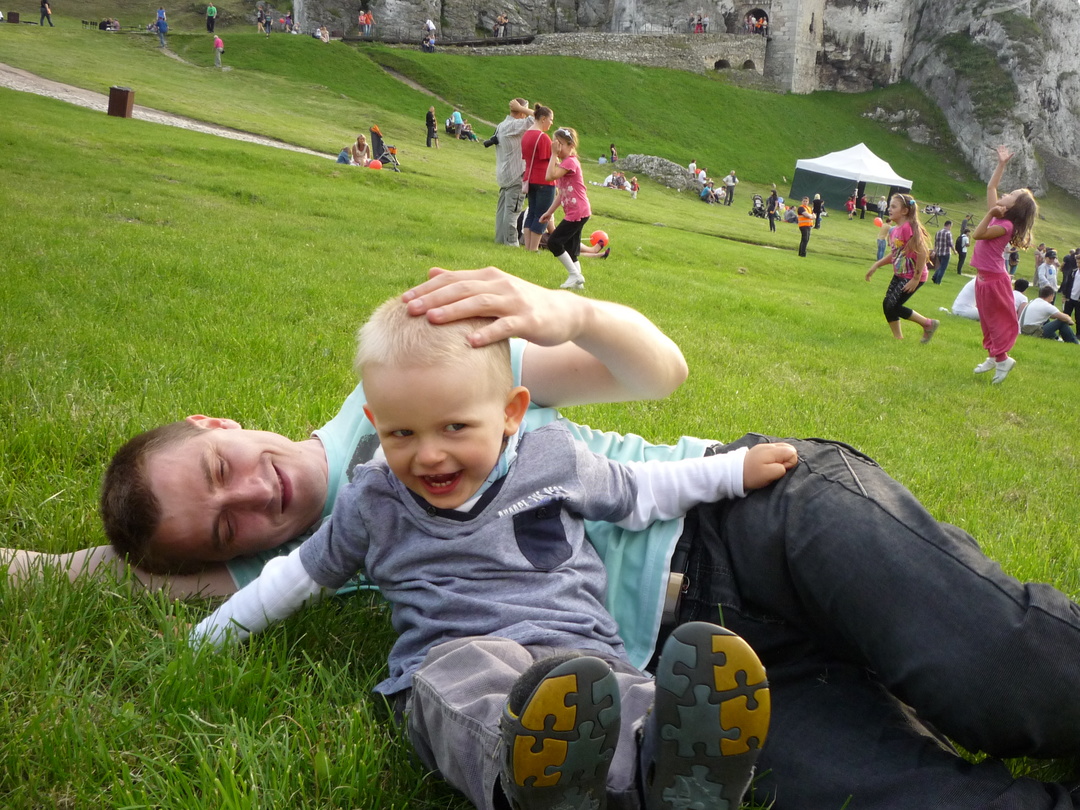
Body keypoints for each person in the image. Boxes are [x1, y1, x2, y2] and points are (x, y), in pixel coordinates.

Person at [83, 266, 1080, 809]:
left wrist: (567, 311)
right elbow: (138, 576)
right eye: (225, 528)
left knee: (1009, 670)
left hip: (744, 516)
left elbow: (659, 374)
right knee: (896, 798)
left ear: (216, 423)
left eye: (218, 468)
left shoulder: (419, 368)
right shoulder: (331, 544)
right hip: (676, 684)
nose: (251, 495)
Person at [189, 296, 794, 810]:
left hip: (579, 653)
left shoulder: (552, 459)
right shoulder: (372, 499)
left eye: (454, 427)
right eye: (402, 433)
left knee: (626, 696)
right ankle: (528, 781)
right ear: (375, 422)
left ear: (511, 414)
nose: (429, 454)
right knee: (469, 697)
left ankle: (677, 767)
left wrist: (732, 471)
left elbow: (640, 491)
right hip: (455, 650)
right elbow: (298, 575)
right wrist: (206, 638)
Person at [970, 146, 1038, 384]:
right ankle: (994, 356)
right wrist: (1001, 165)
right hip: (984, 279)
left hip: (994, 280)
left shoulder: (1004, 225)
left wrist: (990, 214)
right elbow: (991, 188)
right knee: (987, 321)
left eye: (1011, 194)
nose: (1005, 193)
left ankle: (1003, 359)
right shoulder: (1000, 215)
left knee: (996, 322)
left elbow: (978, 235)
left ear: (1014, 206)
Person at [865, 194, 939, 342]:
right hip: (900, 274)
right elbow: (895, 254)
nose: (889, 209)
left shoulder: (908, 228)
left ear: (904, 211)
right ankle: (898, 338)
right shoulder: (893, 230)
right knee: (888, 305)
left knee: (893, 305)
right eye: (889, 206)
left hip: (913, 276)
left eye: (893, 206)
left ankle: (928, 324)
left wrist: (916, 278)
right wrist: (877, 264)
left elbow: (922, 252)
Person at [540, 127, 592, 291]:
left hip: (577, 212)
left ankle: (575, 275)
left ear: (571, 145)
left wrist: (553, 155)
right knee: (571, 249)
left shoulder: (570, 162)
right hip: (579, 211)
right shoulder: (565, 163)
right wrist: (549, 212)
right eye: (555, 143)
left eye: (560, 144)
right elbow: (561, 193)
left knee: (554, 242)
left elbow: (549, 176)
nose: (557, 147)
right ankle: (578, 284)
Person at [492, 98, 534, 247]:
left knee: (502, 211)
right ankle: (511, 244)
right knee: (512, 211)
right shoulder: (515, 125)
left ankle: (499, 240)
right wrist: (522, 108)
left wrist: (519, 108)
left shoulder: (502, 125)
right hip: (515, 175)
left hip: (504, 174)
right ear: (521, 113)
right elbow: (539, 117)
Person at [520, 104, 555, 253]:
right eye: (551, 120)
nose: (551, 123)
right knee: (542, 214)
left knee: (532, 212)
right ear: (543, 119)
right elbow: (551, 159)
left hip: (530, 178)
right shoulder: (543, 137)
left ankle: (528, 247)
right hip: (544, 180)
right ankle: (534, 248)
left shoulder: (526, 134)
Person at [932, 220, 954, 284]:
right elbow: (950, 243)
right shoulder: (948, 233)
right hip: (946, 252)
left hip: (939, 252)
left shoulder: (938, 232)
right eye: (951, 226)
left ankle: (934, 276)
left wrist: (934, 251)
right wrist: (954, 250)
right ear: (949, 225)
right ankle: (938, 281)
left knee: (941, 266)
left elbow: (936, 243)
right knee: (943, 268)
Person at [1061, 249, 1080, 319]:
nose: (1078, 265)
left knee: (1078, 318)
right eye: (1077, 263)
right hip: (1070, 298)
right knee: (1065, 317)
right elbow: (1068, 284)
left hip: (1078, 300)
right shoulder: (1073, 272)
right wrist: (1065, 295)